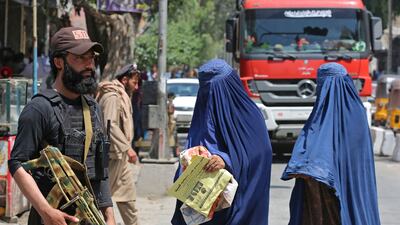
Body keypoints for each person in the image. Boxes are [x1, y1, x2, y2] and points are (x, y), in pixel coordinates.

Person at [8, 27, 116, 225]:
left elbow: (99, 169)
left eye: (91, 58)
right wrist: (47, 211)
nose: (89, 65)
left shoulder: (93, 108)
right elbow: (16, 163)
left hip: (88, 217)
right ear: (59, 62)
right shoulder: (40, 108)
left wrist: (109, 215)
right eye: (80, 58)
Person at [171, 59, 273, 225]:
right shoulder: (202, 114)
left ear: (229, 87)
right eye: (206, 89)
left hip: (239, 205)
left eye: (214, 89)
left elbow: (260, 155)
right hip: (204, 206)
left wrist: (226, 160)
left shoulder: (249, 116)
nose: (210, 94)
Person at [281, 63, 381, 225]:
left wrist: (302, 167)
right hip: (348, 193)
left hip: (330, 199)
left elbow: (316, 159)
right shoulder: (358, 114)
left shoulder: (323, 118)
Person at [96, 64, 140, 225]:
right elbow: (110, 125)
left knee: (128, 199)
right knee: (99, 199)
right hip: (111, 156)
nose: (136, 87)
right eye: (134, 83)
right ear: (124, 80)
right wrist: (127, 148)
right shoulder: (112, 97)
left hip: (120, 157)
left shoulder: (121, 95)